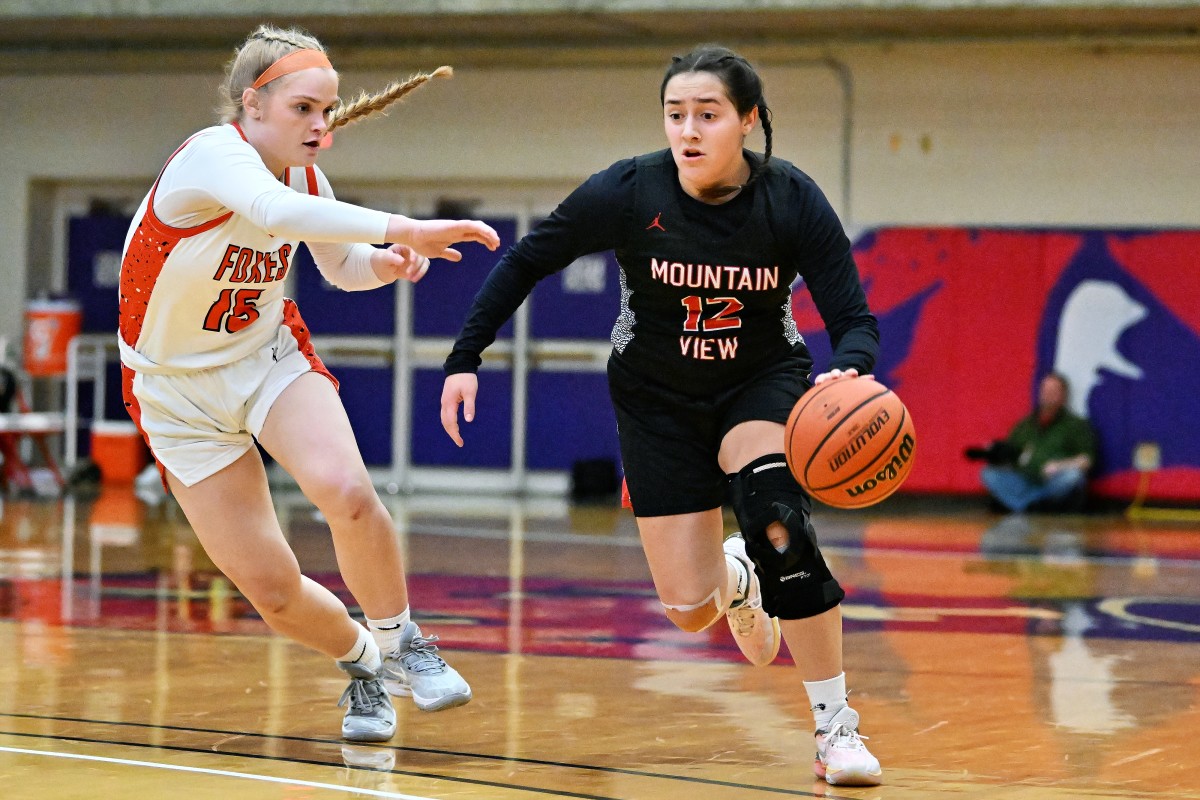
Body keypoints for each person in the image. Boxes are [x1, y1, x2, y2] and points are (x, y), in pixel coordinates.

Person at [440, 45, 883, 787]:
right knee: (685, 609)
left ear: (747, 121)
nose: (689, 129)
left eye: (707, 114)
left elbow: (853, 318)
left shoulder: (790, 198)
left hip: (759, 383)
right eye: (675, 114)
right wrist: (463, 358)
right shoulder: (628, 188)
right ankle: (737, 581)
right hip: (655, 400)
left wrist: (852, 369)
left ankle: (835, 727)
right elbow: (526, 261)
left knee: (781, 522)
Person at [117, 24, 501, 743]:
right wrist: (404, 228)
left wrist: (383, 262)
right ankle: (364, 666)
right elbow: (273, 215)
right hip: (173, 394)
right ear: (252, 105)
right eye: (304, 109)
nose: (321, 126)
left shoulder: (308, 178)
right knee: (272, 591)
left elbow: (340, 267)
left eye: (327, 111)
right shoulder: (211, 157)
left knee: (348, 492)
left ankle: (401, 640)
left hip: (265, 358)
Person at [973, 372, 1098, 513]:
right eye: (1045, 390)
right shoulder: (1024, 425)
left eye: (1053, 391)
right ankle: (1033, 505)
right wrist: (995, 453)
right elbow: (1011, 455)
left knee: (1073, 476)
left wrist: (1059, 466)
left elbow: (1087, 460)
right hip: (1025, 479)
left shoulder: (1076, 425)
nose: (1048, 395)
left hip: (1053, 481)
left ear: (1063, 396)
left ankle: (1026, 504)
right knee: (988, 474)